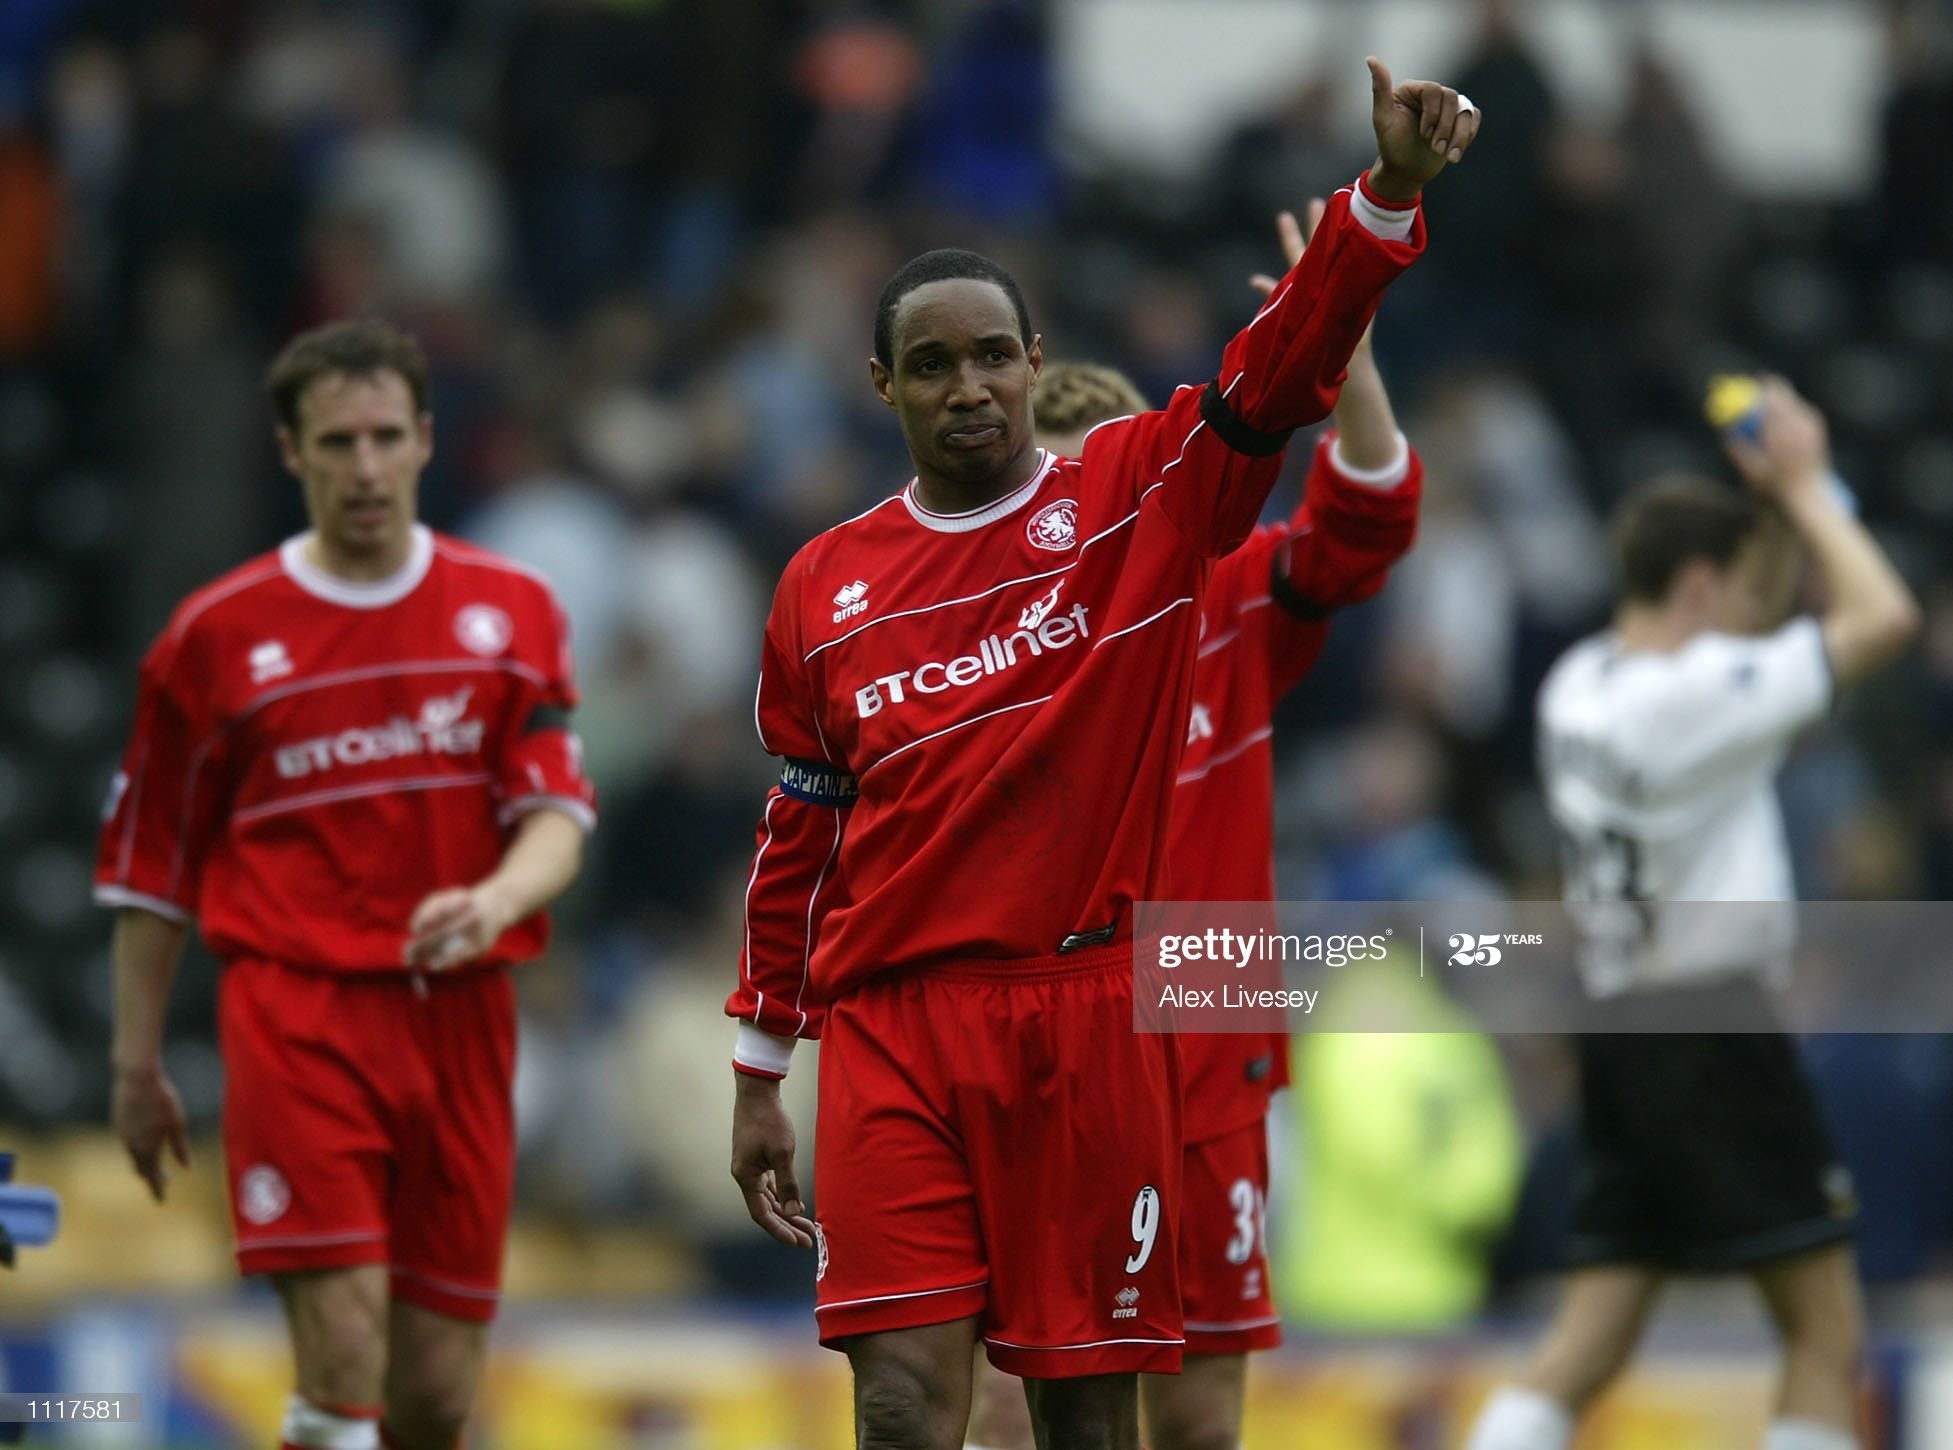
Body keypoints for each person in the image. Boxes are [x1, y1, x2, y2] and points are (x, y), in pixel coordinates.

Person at [728, 57, 1478, 1450]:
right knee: (904, 1403)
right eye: (934, 362)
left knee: (1118, 1417)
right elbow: (800, 834)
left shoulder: (1152, 517)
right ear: (881, 384)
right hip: (893, 1022)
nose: (972, 387)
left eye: (995, 356)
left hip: (1103, 1011)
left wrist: (1381, 200)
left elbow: (1282, 386)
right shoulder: (820, 587)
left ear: (1031, 361)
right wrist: (760, 1060)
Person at [965, 201, 1425, 1450]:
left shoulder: (1229, 595)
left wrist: (1354, 338)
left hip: (1205, 1026)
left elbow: (1368, 521)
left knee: (1204, 1410)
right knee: (1011, 1392)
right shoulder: (993, 635)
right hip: (1047, 1030)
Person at [97, 318, 596, 1450]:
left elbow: (558, 819)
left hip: (463, 1015)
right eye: (336, 442)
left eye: (384, 437)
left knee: (433, 1395)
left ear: (425, 440)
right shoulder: (213, 637)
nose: (364, 467)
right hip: (298, 1015)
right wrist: (134, 1062)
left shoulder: (511, 610)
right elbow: (151, 867)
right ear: (291, 452)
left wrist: (498, 900)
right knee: (346, 1360)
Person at [1465, 377, 1919, 1450]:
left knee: (1591, 1336)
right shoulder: (1698, 696)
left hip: (1618, 1025)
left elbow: (1756, 634)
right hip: (1713, 1024)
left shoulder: (1576, 683)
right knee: (1823, 1330)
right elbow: (1883, 617)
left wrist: (1768, 507)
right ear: (1701, 584)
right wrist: (1809, 490)